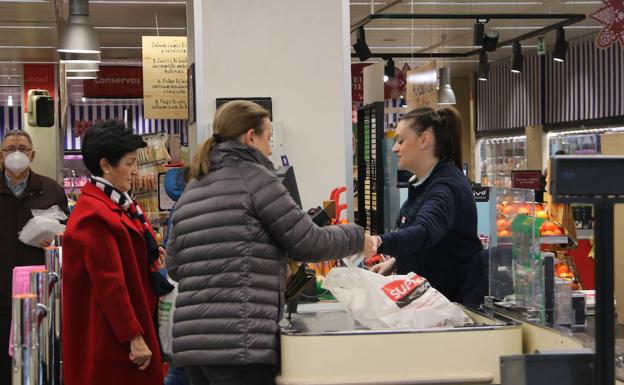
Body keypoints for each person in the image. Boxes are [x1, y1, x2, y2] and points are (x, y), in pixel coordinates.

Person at [166, 100, 374, 385]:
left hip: (193, 349)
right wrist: (356, 236)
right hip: (240, 344)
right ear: (251, 137)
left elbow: (175, 266)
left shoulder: (193, 188)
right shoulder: (257, 179)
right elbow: (309, 243)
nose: (271, 149)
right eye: (268, 139)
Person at [62, 121, 173, 385]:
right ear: (105, 165)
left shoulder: (120, 203)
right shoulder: (95, 214)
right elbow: (110, 282)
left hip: (128, 325)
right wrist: (133, 336)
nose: (136, 171)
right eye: (130, 163)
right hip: (111, 337)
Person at [368, 107, 486, 307]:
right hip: (429, 304)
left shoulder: (445, 187)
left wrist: (376, 242)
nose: (394, 148)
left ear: (424, 139)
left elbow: (424, 232)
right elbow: (436, 242)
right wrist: (395, 261)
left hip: (448, 309)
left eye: (400, 140)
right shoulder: (427, 182)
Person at [0, 130, 68, 385]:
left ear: (33, 154)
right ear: (1, 155)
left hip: (41, 298)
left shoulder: (51, 190)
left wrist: (56, 241)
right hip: (1, 298)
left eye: (23, 148)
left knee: (39, 368)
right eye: (9, 149)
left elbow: (69, 236)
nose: (16, 154)